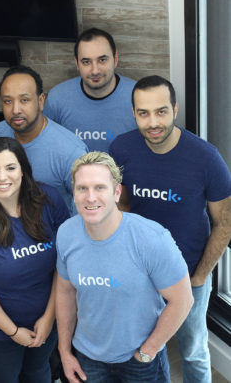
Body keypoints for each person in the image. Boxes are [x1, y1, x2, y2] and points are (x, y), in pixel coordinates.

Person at [109, 75, 231, 382]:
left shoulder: (206, 158)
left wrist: (200, 277)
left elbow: (225, 222)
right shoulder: (121, 149)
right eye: (143, 113)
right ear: (133, 113)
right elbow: (122, 206)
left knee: (193, 351)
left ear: (175, 109)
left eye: (161, 111)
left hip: (189, 275)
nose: (153, 122)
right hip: (140, 274)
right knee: (143, 348)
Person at [55, 151, 193, 383]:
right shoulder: (66, 233)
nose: (90, 197)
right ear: (74, 194)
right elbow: (65, 292)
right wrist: (64, 351)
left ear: (116, 192)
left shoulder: (152, 238)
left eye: (100, 187)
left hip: (140, 360)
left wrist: (148, 351)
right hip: (88, 358)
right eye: (82, 188)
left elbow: (183, 300)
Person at [0, 137, 70, 382]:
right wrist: (14, 332)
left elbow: (64, 264)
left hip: (46, 319)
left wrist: (49, 317)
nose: (2, 177)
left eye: (10, 168)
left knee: (38, 372)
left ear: (23, 170)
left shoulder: (48, 199)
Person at [0, 65, 86, 212]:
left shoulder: (71, 151)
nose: (15, 110)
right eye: (8, 101)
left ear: (40, 101)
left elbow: (85, 208)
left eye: (24, 100)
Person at [43, 28, 136, 152]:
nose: (95, 71)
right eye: (86, 62)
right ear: (77, 63)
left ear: (115, 59)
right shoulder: (57, 99)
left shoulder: (138, 97)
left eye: (102, 60)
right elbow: (45, 146)